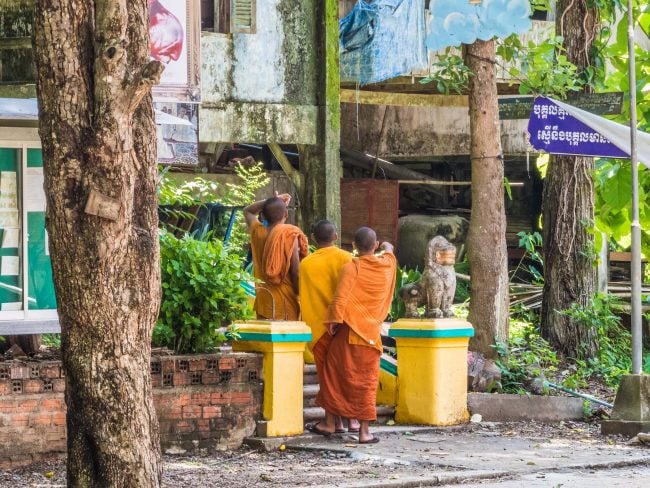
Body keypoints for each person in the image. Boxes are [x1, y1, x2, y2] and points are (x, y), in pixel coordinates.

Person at [311, 227, 397, 444]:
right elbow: (390, 251)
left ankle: (332, 422)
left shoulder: (352, 267)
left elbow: (340, 298)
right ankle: (363, 432)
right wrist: (386, 247)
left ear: (353, 247)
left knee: (332, 372)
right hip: (370, 335)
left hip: (350, 332)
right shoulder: (387, 264)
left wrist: (332, 323)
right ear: (375, 245)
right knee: (365, 382)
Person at [299, 220, 359, 433]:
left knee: (327, 377)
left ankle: (332, 422)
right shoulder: (348, 259)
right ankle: (351, 420)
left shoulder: (306, 264)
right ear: (335, 236)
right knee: (347, 373)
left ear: (313, 239)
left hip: (320, 327)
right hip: (345, 325)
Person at [244, 193, 308, 320]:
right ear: (286, 214)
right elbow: (295, 272)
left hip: (264, 300)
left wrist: (270, 201)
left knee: (265, 339)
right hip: (285, 302)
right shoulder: (289, 234)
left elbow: (248, 211)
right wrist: (300, 294)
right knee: (286, 340)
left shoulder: (258, 231)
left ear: (263, 215)